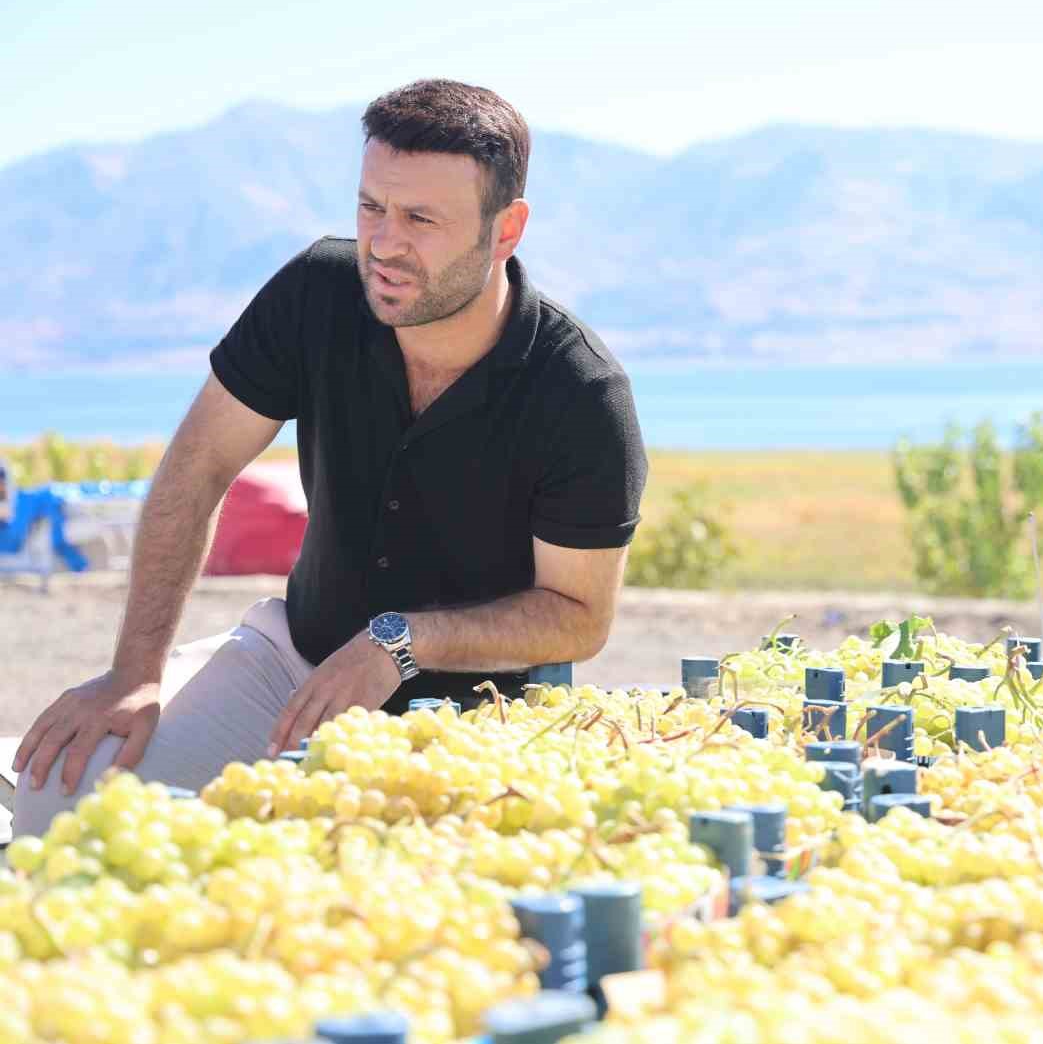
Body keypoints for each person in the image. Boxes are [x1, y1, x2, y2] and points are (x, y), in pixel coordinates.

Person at [10, 79, 647, 837]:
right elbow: (198, 464)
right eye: (371, 207)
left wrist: (405, 643)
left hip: (477, 718)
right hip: (291, 665)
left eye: (420, 219)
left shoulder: (580, 394)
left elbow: (579, 618)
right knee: (61, 803)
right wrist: (135, 674)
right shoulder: (317, 292)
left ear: (505, 230)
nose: (383, 242)